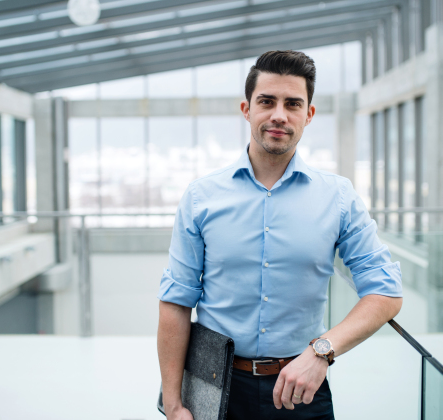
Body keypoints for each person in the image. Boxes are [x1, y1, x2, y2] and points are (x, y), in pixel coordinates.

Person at [157, 50, 403, 420]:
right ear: (247, 109)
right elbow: (176, 302)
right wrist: (174, 405)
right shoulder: (201, 197)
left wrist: (322, 351)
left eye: (293, 104)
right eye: (267, 101)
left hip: (303, 387)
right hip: (214, 388)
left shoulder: (338, 197)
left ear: (309, 114)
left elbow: (385, 292)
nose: (278, 115)